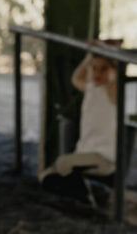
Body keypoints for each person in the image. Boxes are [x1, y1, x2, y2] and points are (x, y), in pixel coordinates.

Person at [39, 40, 120, 204]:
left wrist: (109, 51)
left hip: (103, 158)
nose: (97, 74)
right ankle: (90, 193)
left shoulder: (112, 92)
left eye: (103, 69)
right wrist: (89, 56)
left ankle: (89, 196)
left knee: (63, 163)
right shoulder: (92, 89)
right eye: (94, 68)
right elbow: (76, 78)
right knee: (45, 177)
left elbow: (116, 77)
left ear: (112, 71)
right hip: (85, 154)